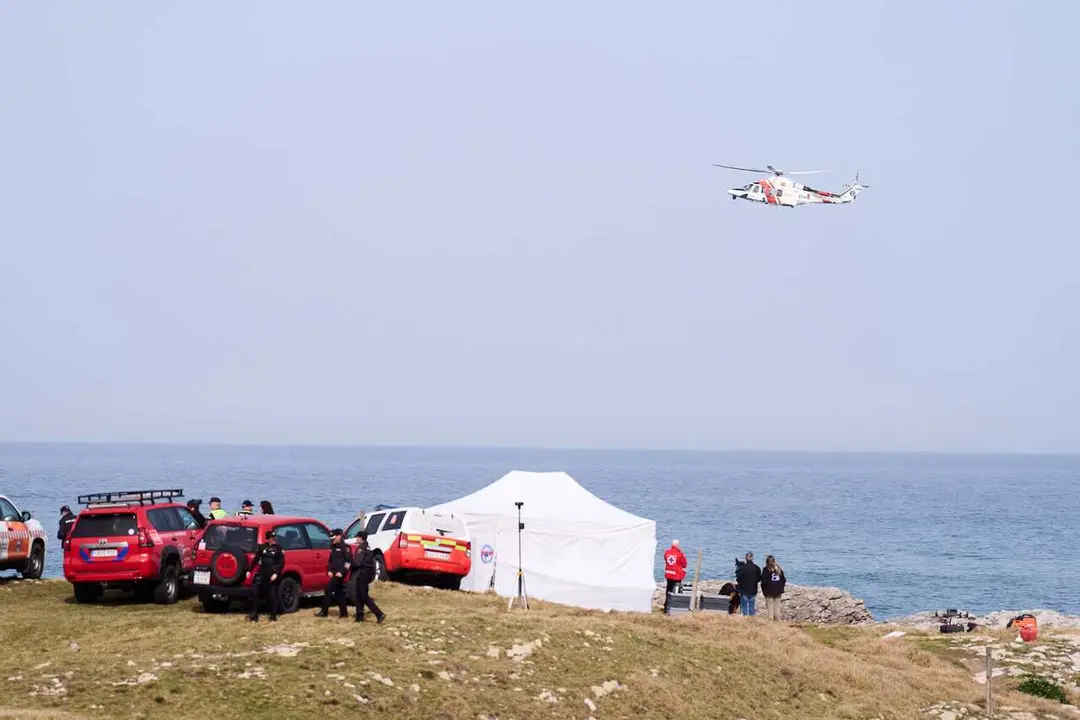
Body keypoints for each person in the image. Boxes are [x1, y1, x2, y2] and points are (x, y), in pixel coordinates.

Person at [248, 530, 285, 622]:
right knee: (254, 592)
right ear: (268, 539)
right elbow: (256, 559)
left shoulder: (278, 548)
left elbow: (281, 563)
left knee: (272, 594)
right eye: (272, 538)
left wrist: (276, 573)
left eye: (275, 538)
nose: (274, 539)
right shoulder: (262, 547)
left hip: (273, 574)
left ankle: (273, 617)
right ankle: (254, 615)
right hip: (262, 573)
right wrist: (249, 570)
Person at [351, 532, 386, 624]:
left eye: (357, 537)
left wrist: (350, 564)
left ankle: (379, 614)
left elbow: (358, 562)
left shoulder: (361, 549)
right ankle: (359, 617)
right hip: (366, 574)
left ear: (361, 538)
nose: (356, 539)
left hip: (362, 573)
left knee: (363, 595)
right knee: (358, 595)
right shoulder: (369, 548)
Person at [317, 528, 352, 619]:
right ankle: (344, 613)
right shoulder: (333, 547)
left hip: (340, 574)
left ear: (339, 536)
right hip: (334, 573)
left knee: (328, 589)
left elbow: (348, 562)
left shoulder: (345, 548)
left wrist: (342, 572)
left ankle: (324, 612)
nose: (332, 540)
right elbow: (331, 561)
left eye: (333, 538)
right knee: (339, 592)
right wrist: (329, 570)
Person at [662, 539, 687, 614]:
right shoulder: (680, 554)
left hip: (668, 574)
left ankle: (666, 607)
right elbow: (684, 564)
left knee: (668, 590)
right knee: (676, 591)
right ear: (678, 545)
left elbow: (666, 560)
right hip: (677, 575)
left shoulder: (667, 552)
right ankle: (674, 608)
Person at [760, 555, 786, 621]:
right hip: (778, 590)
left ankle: (771, 619)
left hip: (769, 590)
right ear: (774, 561)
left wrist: (764, 589)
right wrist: (781, 587)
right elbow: (783, 579)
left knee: (770, 605)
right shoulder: (779, 568)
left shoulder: (766, 569)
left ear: (767, 562)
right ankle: (777, 619)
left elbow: (763, 581)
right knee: (777, 605)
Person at [735, 552, 762, 616]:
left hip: (744, 589)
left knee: (744, 606)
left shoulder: (742, 568)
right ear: (752, 558)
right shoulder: (757, 568)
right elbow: (759, 579)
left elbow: (738, 578)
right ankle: (751, 618)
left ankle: (745, 618)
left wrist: (740, 583)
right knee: (752, 606)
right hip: (753, 589)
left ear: (746, 558)